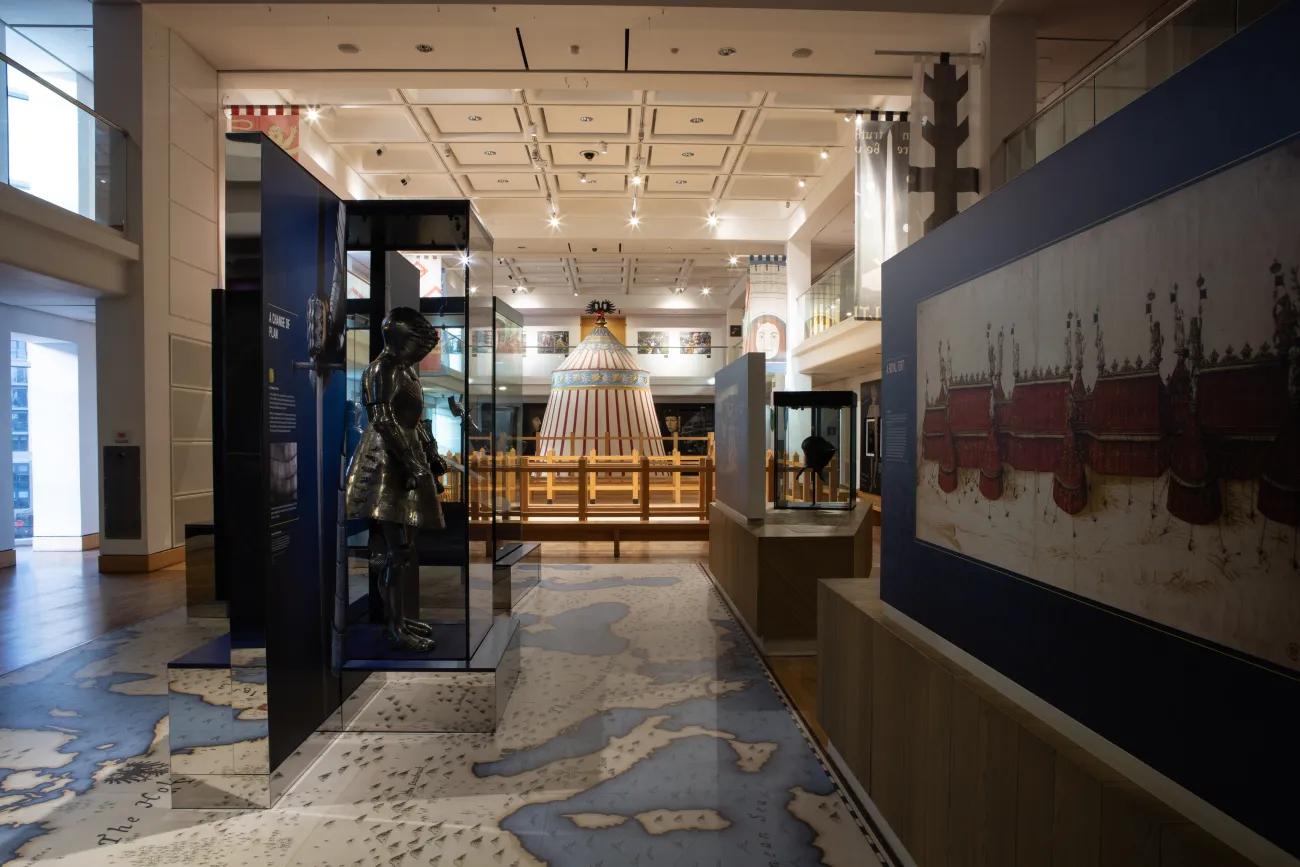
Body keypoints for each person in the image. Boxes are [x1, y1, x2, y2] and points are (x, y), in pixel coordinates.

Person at [344, 307, 444, 652]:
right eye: (417, 347)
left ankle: (399, 618)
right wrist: (414, 464)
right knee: (396, 550)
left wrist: (430, 454)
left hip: (404, 459)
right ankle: (393, 625)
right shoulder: (382, 369)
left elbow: (415, 420)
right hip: (386, 462)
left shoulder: (404, 372)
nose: (420, 356)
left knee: (404, 550)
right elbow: (383, 420)